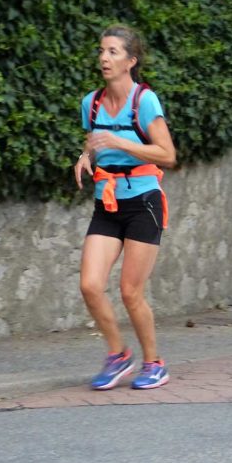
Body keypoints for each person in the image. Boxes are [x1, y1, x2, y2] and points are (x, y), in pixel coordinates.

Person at [73, 24, 176, 389]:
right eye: (102, 50)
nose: (104, 57)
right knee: (89, 285)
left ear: (130, 61)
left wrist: (120, 141)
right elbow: (94, 137)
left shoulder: (144, 101)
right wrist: (86, 155)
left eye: (113, 52)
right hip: (108, 202)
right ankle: (118, 355)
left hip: (144, 203)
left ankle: (155, 363)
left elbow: (168, 154)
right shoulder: (92, 102)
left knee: (131, 292)